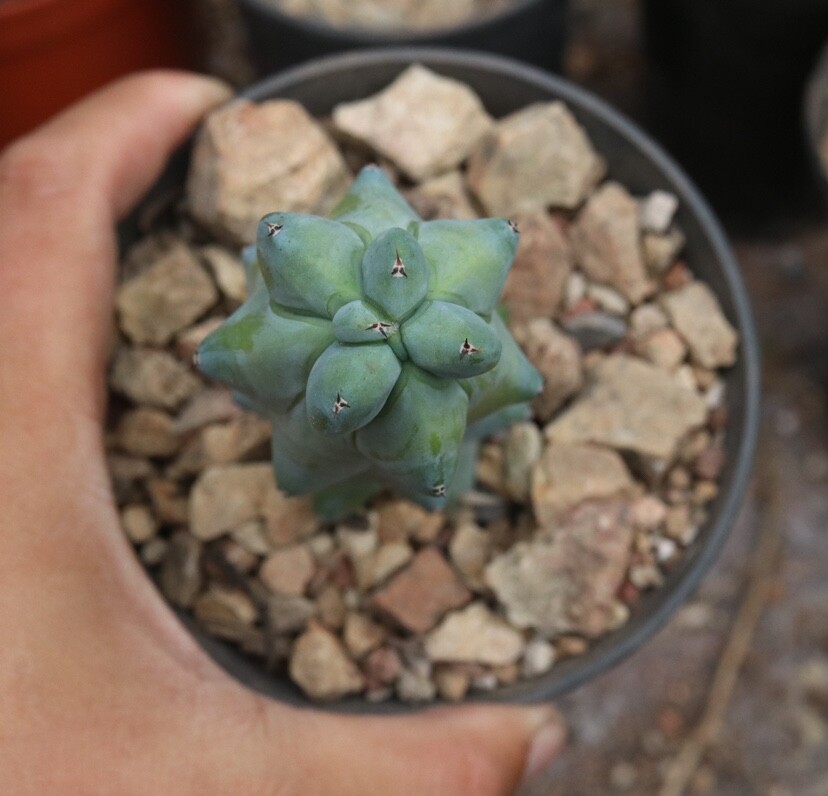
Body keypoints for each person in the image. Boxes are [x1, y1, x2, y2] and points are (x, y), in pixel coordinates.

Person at [0, 71, 564, 795]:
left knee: (422, 420)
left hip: (406, 377)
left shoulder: (456, 297)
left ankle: (426, 458)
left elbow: (482, 268)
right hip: (353, 384)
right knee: (341, 426)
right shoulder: (314, 287)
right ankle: (373, 481)